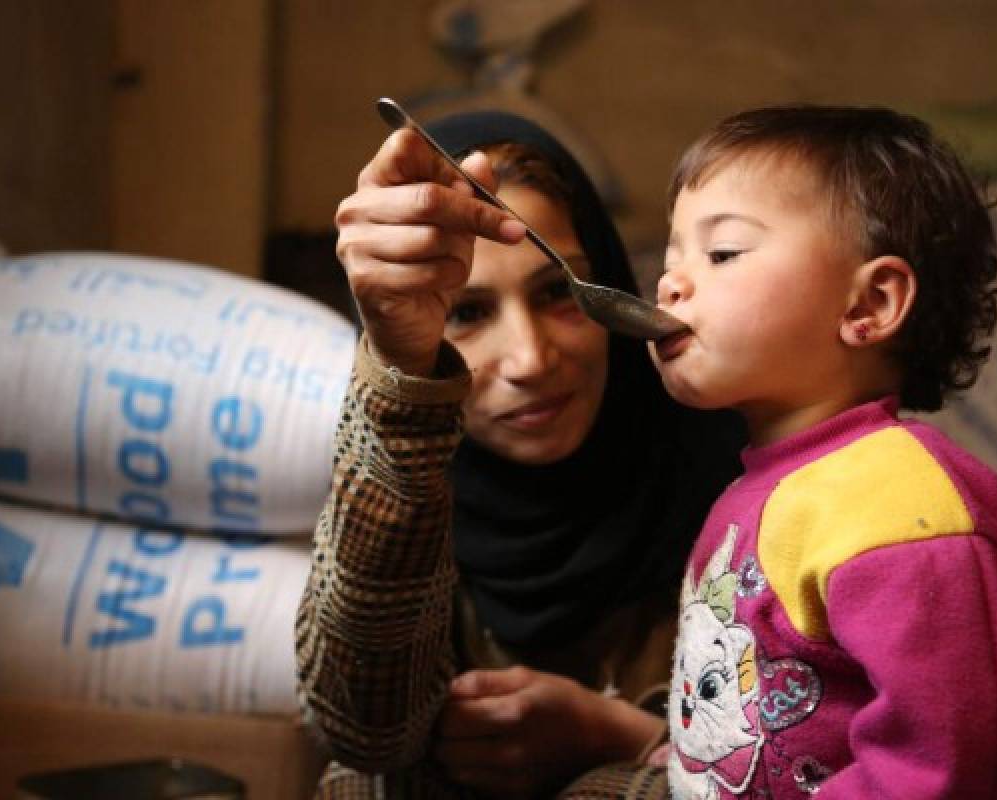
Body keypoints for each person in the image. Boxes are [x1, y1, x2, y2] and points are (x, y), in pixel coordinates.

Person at [294, 110, 745, 798]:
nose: (532, 360)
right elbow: (363, 731)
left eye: (560, 291)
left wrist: (621, 737)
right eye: (468, 314)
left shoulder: (743, 488)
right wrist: (402, 372)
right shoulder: (398, 497)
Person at [642, 104, 997, 798]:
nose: (671, 284)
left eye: (722, 253)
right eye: (672, 258)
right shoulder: (757, 488)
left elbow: (964, 769)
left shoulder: (903, 510)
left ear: (869, 303)